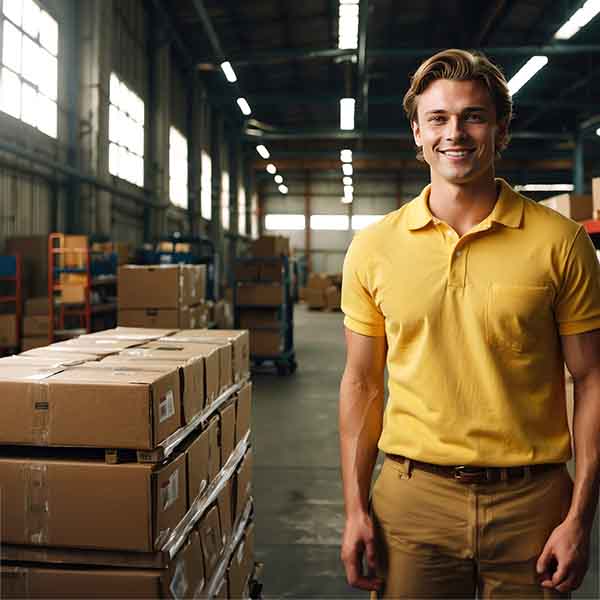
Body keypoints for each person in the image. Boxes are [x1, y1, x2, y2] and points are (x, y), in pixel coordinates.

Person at [339, 48, 600, 599]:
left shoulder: (561, 243)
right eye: (437, 118)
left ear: (500, 130)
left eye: (473, 116)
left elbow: (592, 379)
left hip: (534, 505)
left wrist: (580, 516)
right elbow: (362, 383)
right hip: (412, 504)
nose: (454, 133)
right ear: (416, 132)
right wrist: (355, 508)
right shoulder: (374, 248)